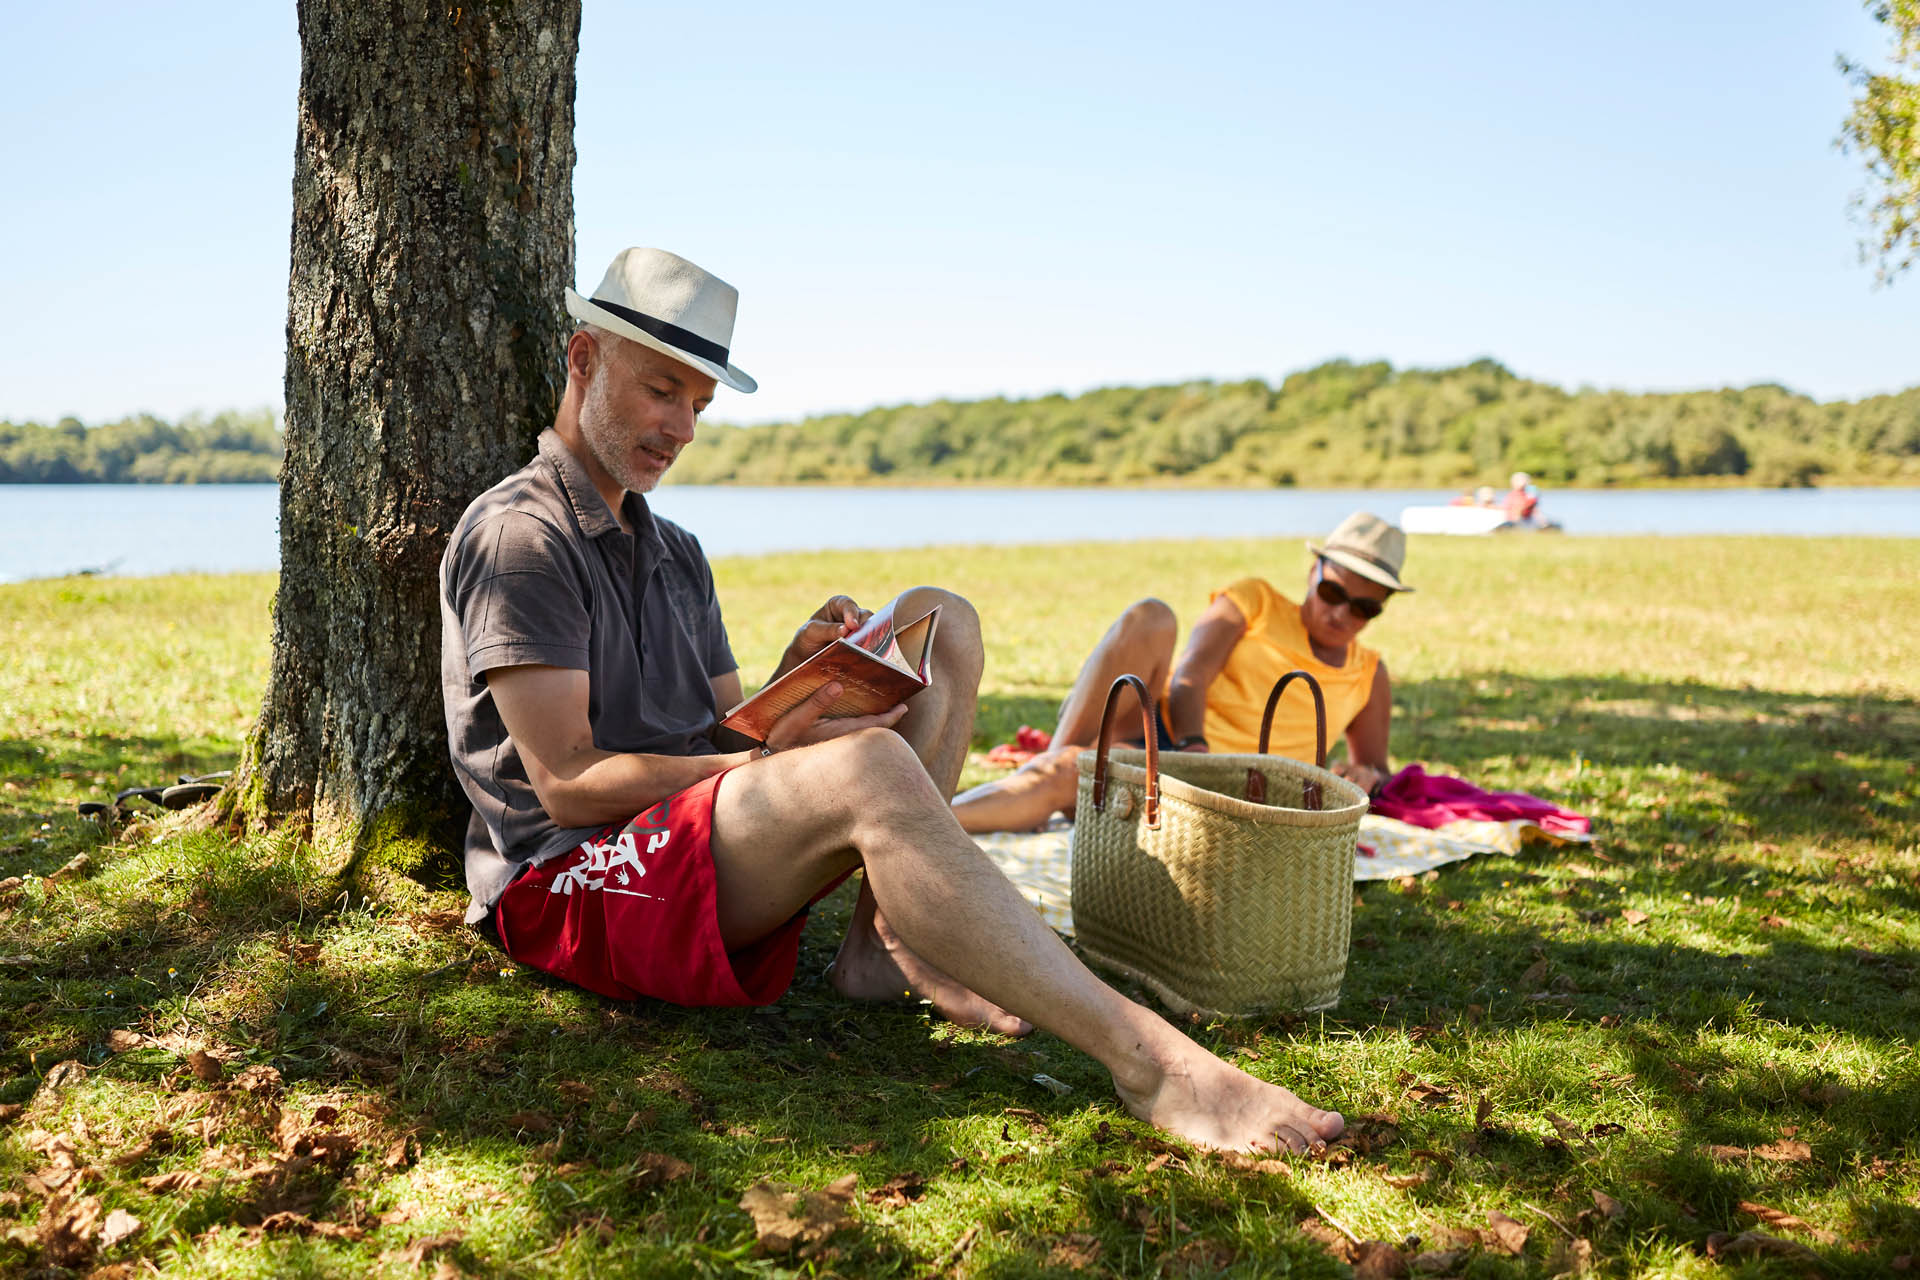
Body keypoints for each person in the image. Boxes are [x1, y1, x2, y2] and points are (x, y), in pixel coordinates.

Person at [438, 247, 1345, 1153]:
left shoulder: (676, 551)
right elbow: (567, 782)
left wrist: (799, 676)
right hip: (569, 883)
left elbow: (719, 731)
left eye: (700, 405)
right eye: (661, 391)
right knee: (869, 765)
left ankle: (879, 948)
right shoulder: (522, 535)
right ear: (584, 359)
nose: (680, 426)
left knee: (939, 620)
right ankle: (1158, 1067)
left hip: (682, 838)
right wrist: (776, 763)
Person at [952, 512, 1411, 834]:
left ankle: (937, 821)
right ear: (1314, 571)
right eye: (1332, 591)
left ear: (1381, 609)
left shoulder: (1369, 673)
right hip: (1170, 736)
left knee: (1063, 777)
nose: (1342, 613)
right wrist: (1195, 749)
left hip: (1230, 790)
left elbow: (1377, 767)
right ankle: (1030, 777)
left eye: (1365, 607)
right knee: (1151, 617)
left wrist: (1366, 775)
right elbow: (1190, 675)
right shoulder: (1255, 600)